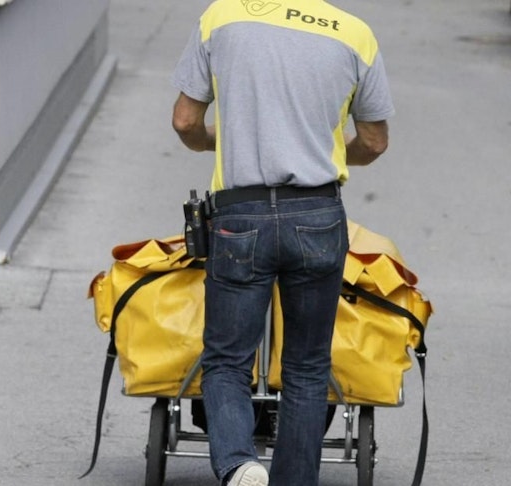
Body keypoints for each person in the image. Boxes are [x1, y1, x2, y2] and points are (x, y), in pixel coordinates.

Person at [170, 1, 394, 485]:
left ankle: (238, 463)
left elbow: (186, 121)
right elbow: (373, 141)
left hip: (240, 215)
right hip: (317, 214)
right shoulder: (355, 34)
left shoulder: (221, 18)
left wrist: (224, 140)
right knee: (308, 368)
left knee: (228, 360)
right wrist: (326, 149)